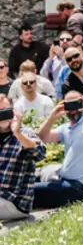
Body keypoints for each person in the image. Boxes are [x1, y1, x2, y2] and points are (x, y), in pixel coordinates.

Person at [0, 94, 45, 224]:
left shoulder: (25, 133)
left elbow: (39, 153)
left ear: (13, 112)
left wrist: (17, 133)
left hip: (15, 202)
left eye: (5, 111)